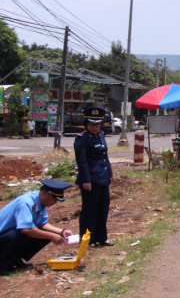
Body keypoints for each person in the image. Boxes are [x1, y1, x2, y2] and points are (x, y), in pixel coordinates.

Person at [0, 179, 73, 276]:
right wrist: (51, 236)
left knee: (45, 234)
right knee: (22, 234)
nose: (55, 202)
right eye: (54, 199)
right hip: (4, 236)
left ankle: (15, 259)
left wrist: (61, 231)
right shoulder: (26, 202)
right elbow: (25, 229)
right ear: (44, 193)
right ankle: (3, 266)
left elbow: (42, 224)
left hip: (7, 238)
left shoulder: (40, 203)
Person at [74, 107, 114, 248]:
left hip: (102, 177)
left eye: (97, 124)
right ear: (86, 124)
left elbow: (104, 156)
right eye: (91, 124)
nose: (94, 127)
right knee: (90, 210)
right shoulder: (82, 138)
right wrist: (86, 180)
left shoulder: (101, 135)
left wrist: (109, 174)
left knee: (103, 209)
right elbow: (82, 161)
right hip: (90, 180)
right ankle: (88, 240)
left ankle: (101, 238)